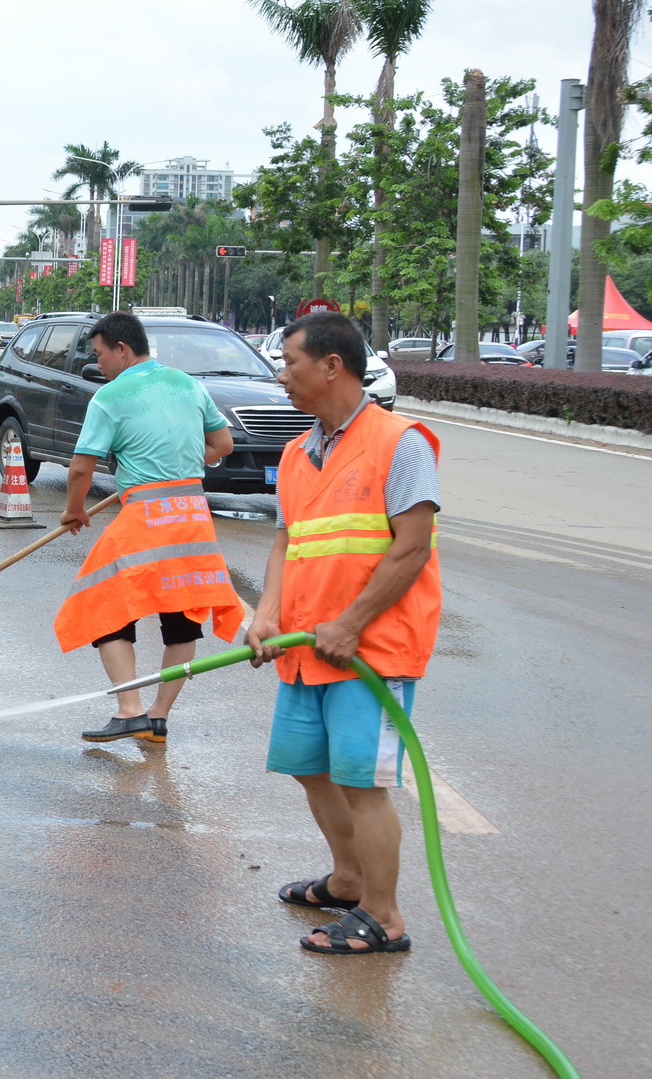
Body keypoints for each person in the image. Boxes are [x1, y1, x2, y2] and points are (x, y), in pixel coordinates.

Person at [244, 310, 441, 955]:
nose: (282, 375)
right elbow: (284, 542)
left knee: (363, 782)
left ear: (332, 366)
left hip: (370, 652)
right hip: (306, 647)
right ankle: (349, 880)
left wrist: (353, 623)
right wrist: (265, 614)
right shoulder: (299, 453)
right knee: (311, 770)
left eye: (291, 363)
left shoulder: (399, 439)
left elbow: (411, 549)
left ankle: (383, 918)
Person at [55, 312, 243, 745]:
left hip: (145, 520)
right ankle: (158, 716)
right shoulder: (189, 385)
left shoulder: (111, 396)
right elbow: (223, 445)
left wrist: (74, 511)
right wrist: (181, 467)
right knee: (181, 618)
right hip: (193, 518)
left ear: (122, 349)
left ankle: (130, 709)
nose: (98, 364)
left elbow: (82, 468)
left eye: (100, 354)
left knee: (102, 605)